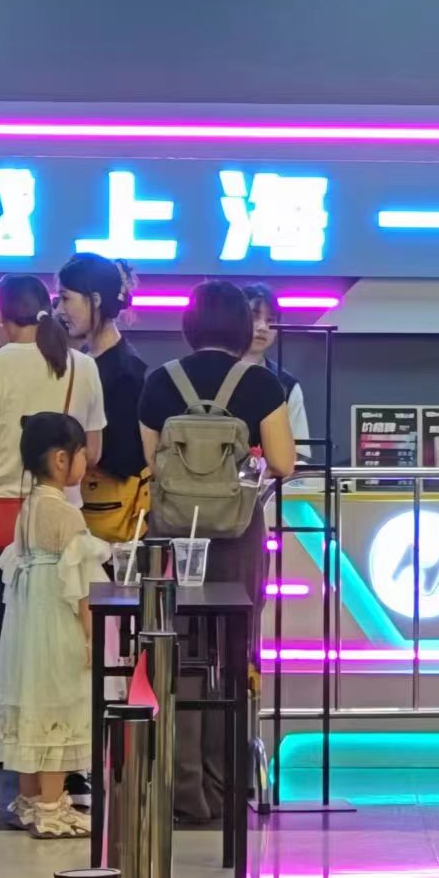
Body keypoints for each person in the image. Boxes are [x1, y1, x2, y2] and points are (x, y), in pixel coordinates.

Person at [0, 274, 105, 813]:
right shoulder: (82, 366)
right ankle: (72, 771)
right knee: (64, 653)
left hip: (0, 531)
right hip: (63, 522)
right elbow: (93, 451)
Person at [137, 280, 297, 823]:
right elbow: (284, 462)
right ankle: (225, 785)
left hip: (172, 537)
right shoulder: (261, 384)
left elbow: (151, 462)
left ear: (190, 323)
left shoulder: (160, 381)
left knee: (178, 654)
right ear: (240, 326)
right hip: (237, 535)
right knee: (233, 654)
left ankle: (182, 789)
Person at [0, 412, 108, 839]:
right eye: (81, 454)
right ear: (62, 459)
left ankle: (29, 798)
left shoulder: (28, 509)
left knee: (33, 704)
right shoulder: (67, 515)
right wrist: (91, 633)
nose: (86, 462)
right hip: (57, 623)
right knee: (60, 704)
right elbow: (80, 586)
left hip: (27, 624)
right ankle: (52, 806)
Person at [58, 253, 148, 487]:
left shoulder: (126, 372)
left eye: (66, 299)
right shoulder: (82, 359)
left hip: (105, 501)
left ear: (95, 300)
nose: (59, 310)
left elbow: (126, 459)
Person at [243, 283, 312, 461]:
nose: (262, 327)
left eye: (270, 320)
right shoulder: (213, 376)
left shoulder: (287, 385)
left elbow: (298, 453)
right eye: (254, 317)